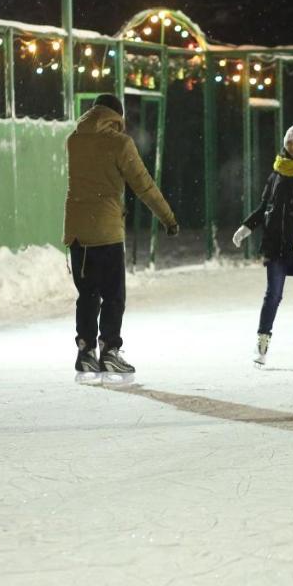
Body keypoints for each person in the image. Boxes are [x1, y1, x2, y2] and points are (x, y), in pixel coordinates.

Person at [63, 93, 179, 383]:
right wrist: (168, 217)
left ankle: (86, 350)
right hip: (106, 231)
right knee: (114, 295)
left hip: (77, 232)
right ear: (116, 116)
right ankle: (111, 350)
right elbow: (144, 185)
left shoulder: (74, 140)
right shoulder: (119, 143)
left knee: (87, 293)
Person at [232, 120, 293, 368]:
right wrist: (247, 227)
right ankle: (262, 341)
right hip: (276, 242)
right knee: (272, 294)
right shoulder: (278, 171)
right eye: (290, 142)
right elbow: (266, 206)